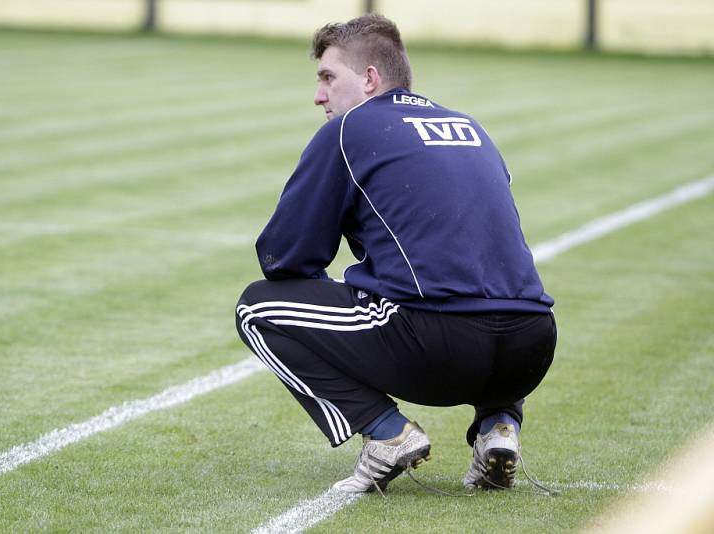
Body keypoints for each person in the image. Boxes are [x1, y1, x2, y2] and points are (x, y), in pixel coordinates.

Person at [235, 14, 556, 494]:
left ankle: (386, 434)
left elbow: (284, 257)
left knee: (256, 308)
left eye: (328, 78)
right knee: (485, 287)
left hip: (438, 348)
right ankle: (499, 428)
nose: (319, 96)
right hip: (533, 345)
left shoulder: (348, 130)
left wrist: (345, 286)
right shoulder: (469, 126)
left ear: (368, 79)